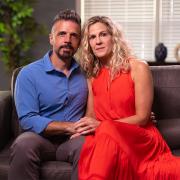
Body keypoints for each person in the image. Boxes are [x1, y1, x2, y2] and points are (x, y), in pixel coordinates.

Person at [76, 16, 180, 179]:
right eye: (92, 37)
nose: (98, 41)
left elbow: (143, 117)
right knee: (100, 136)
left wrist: (103, 125)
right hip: (106, 139)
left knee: (106, 129)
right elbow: (91, 117)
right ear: (88, 43)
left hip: (138, 137)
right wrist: (83, 126)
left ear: (114, 38)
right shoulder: (92, 76)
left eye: (103, 34)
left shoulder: (138, 67)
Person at [9, 9, 88, 180]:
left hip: (73, 140)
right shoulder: (28, 74)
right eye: (62, 34)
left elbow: (107, 100)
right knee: (23, 144)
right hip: (39, 139)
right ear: (51, 38)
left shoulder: (87, 74)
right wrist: (68, 126)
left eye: (74, 35)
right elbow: (28, 118)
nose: (68, 40)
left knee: (88, 145)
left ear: (80, 42)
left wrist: (137, 113)